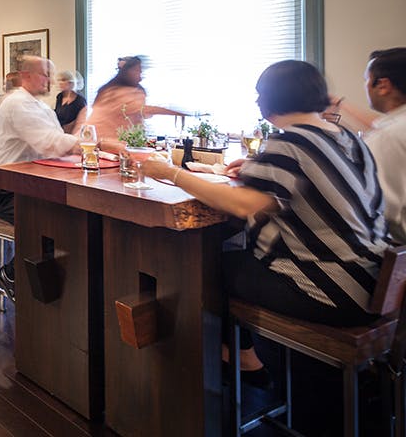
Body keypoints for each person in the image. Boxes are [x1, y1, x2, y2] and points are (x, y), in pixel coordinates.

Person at [141, 60, 389, 386]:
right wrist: (254, 168)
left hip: (334, 291)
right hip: (376, 283)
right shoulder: (346, 138)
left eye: (260, 95)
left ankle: (238, 362)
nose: (258, 102)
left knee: (199, 266)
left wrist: (172, 173)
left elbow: (241, 204)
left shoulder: (290, 144)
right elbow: (310, 183)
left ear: (272, 100)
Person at [0, 56, 79, 301]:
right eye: (45, 74)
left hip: (24, 184)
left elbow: (54, 145)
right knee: (51, 225)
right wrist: (90, 143)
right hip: (0, 189)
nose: (50, 80)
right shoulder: (17, 103)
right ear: (26, 75)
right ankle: (12, 275)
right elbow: (50, 143)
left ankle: (51, 295)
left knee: (67, 219)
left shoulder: (42, 107)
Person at [330, 47, 406, 243]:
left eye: (366, 79)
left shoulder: (388, 137)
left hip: (395, 251)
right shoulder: (394, 127)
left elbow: (375, 207)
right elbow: (377, 125)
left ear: (383, 86)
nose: (365, 86)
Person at [80, 55, 185, 153]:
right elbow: (143, 110)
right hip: (101, 144)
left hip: (111, 145)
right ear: (127, 72)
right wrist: (180, 112)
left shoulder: (132, 90)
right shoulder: (115, 92)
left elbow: (143, 114)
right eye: (138, 71)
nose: (140, 76)